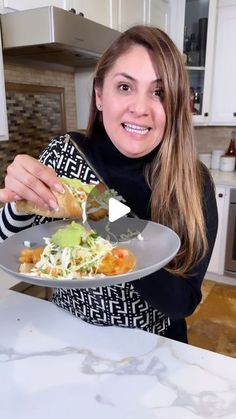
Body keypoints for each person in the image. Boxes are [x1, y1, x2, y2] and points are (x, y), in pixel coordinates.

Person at [0, 25, 218, 343]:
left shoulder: (193, 182)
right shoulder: (65, 154)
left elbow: (182, 303)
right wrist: (20, 200)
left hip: (154, 349)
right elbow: (10, 245)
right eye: (125, 87)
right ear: (100, 95)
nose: (140, 107)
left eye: (159, 92)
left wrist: (103, 215)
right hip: (67, 339)